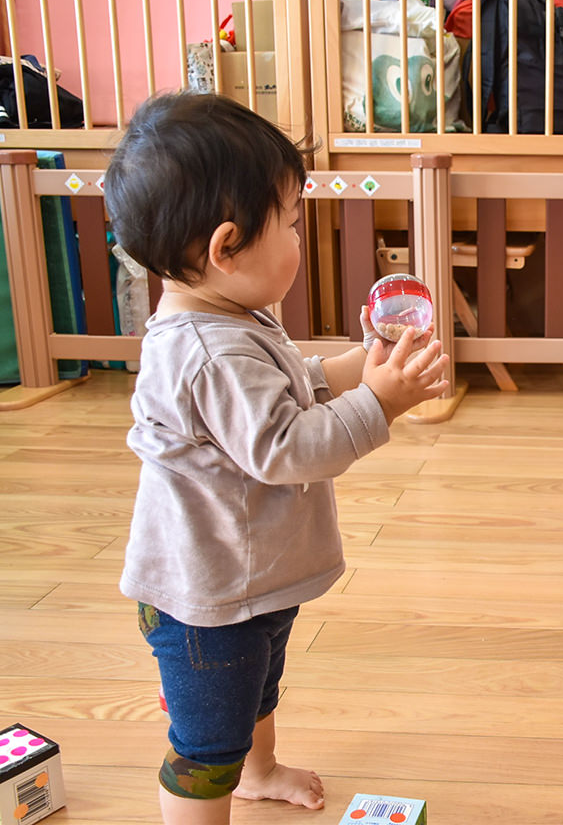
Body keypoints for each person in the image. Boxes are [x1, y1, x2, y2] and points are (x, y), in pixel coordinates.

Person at [107, 93, 450, 824]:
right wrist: (382, 401)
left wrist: (363, 363)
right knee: (206, 747)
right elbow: (288, 448)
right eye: (292, 223)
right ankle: (225, 782)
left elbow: (285, 383)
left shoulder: (223, 313)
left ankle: (257, 771)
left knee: (258, 685)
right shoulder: (206, 352)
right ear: (227, 247)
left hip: (248, 573)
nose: (300, 234)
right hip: (207, 599)